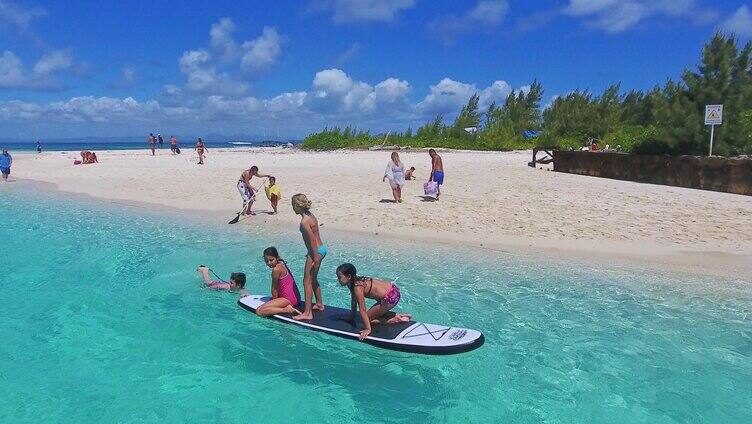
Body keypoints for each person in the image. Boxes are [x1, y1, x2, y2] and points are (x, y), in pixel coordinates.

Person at [336, 263, 412, 340]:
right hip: (393, 290)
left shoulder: (357, 287)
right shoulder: (355, 281)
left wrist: (368, 329)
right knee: (374, 313)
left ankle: (396, 319)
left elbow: (362, 309)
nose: (338, 280)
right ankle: (400, 315)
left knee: (367, 320)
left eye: (340, 277)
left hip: (390, 297)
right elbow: (354, 302)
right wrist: (351, 317)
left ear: (349, 276)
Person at [291, 194, 326, 321]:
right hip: (322, 248)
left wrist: (315, 258)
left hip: (315, 252)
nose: (292, 208)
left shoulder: (304, 221)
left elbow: (311, 240)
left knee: (307, 280)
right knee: (314, 278)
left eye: (292, 205)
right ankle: (319, 304)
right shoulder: (311, 215)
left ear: (297, 206)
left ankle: (307, 313)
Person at [256, 247, 303, 317]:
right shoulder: (282, 263)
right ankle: (286, 306)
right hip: (297, 298)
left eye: (271, 260)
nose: (269, 263)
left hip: (289, 300)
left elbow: (274, 289)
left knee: (259, 311)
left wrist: (274, 302)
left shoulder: (276, 269)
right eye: (266, 261)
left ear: (276, 257)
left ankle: (286, 310)